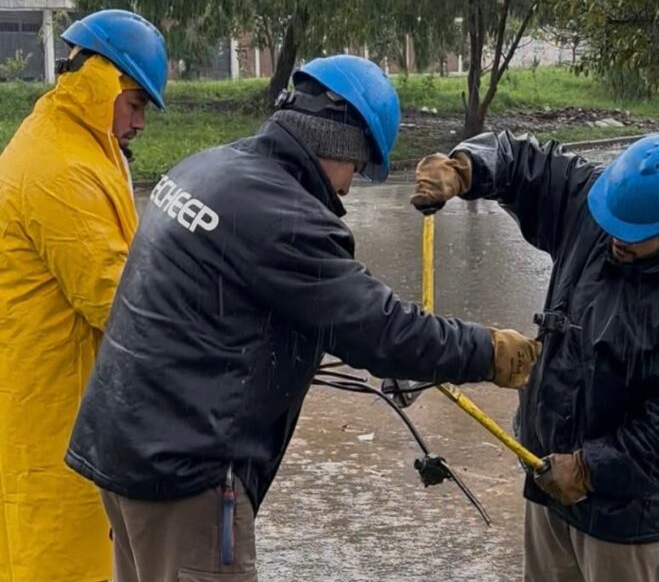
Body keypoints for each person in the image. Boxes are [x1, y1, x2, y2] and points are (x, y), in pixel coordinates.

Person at [64, 54, 541, 581]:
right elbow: (377, 329)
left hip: (124, 446)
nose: (347, 188)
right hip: (187, 475)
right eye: (357, 167)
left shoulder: (208, 168)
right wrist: (488, 351)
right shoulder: (283, 215)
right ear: (336, 140)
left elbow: (215, 317)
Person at [410, 131, 659, 582]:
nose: (613, 238)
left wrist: (590, 469)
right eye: (610, 224)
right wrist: (467, 167)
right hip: (547, 479)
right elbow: (527, 163)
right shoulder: (600, 206)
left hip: (624, 525)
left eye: (632, 236)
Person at [0, 9, 168, 582]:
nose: (140, 124)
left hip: (68, 403)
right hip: (57, 411)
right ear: (104, 84)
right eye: (137, 104)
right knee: (62, 560)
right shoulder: (60, 169)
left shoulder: (78, 143)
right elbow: (120, 301)